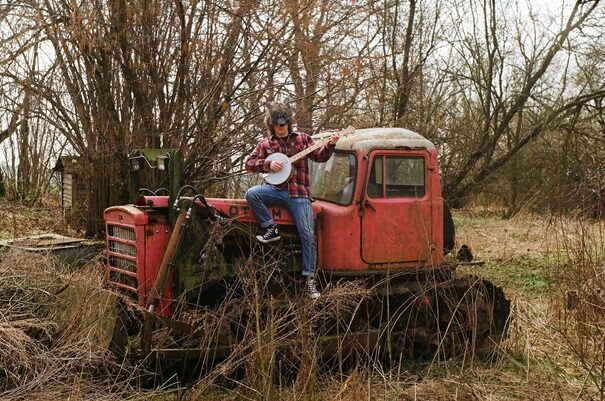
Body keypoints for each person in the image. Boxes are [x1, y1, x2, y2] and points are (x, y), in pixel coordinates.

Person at [244, 100, 339, 300]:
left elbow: (320, 157)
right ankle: (271, 228)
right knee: (252, 194)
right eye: (277, 125)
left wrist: (330, 145)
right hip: (275, 190)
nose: (281, 128)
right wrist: (267, 164)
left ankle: (310, 280)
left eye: (284, 124)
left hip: (299, 194)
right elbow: (249, 163)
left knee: (307, 234)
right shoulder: (266, 144)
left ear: (289, 123)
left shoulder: (304, 140)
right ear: (271, 124)